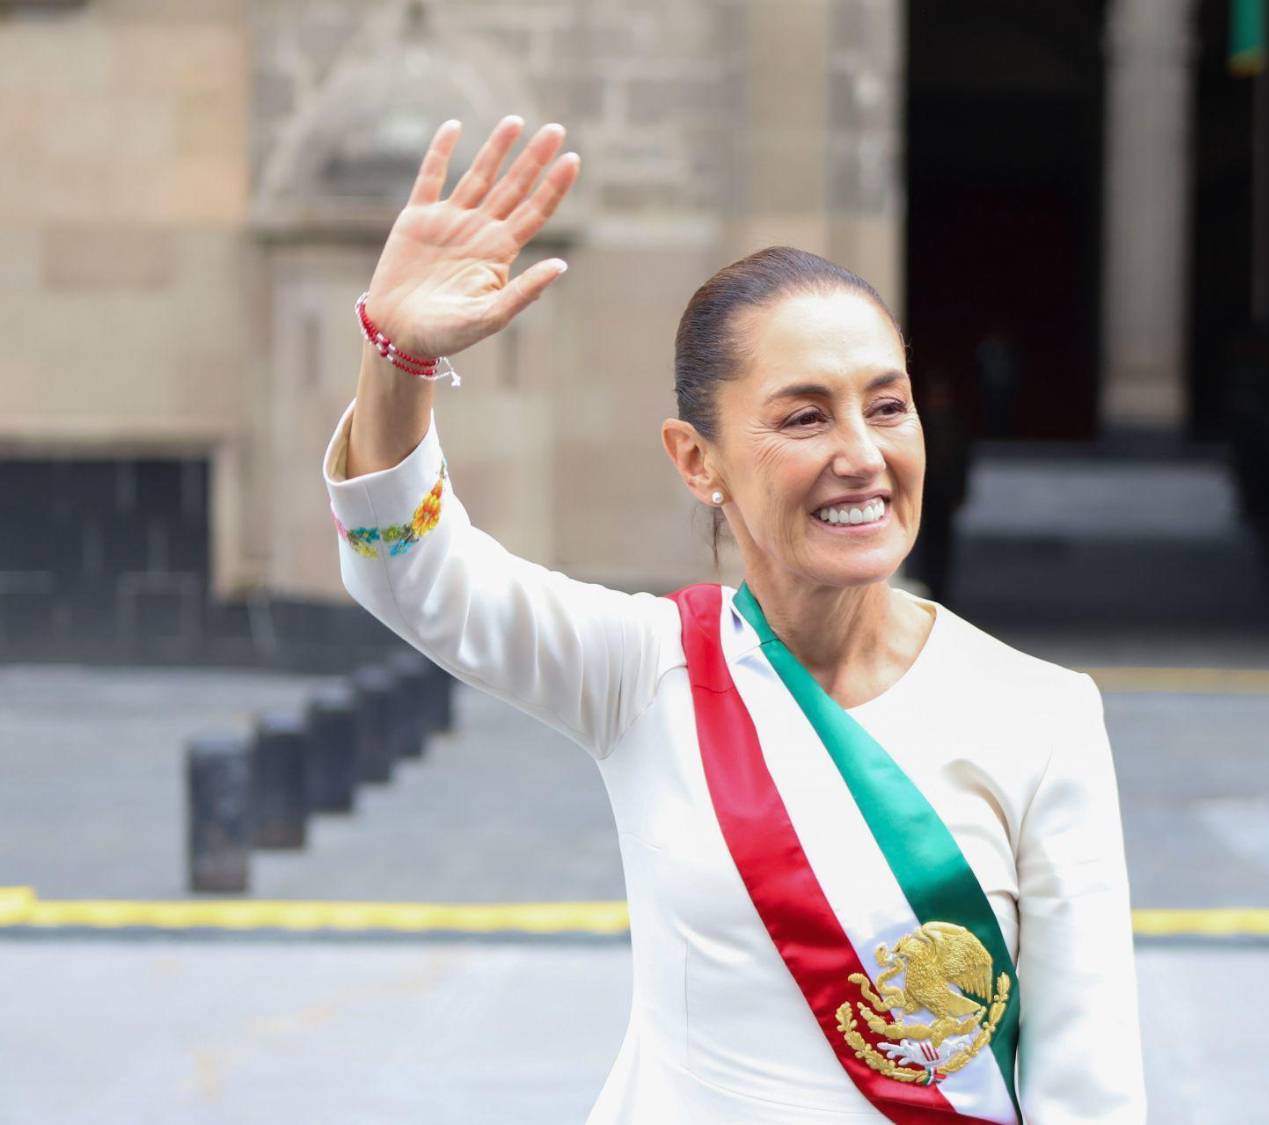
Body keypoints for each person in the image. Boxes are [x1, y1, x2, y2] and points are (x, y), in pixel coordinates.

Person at [322, 116, 1147, 1124]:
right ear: (695, 459)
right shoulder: (643, 672)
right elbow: (408, 569)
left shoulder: (1043, 715)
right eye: (805, 417)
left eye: (887, 407)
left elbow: (1089, 1084)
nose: (862, 455)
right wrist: (393, 357)